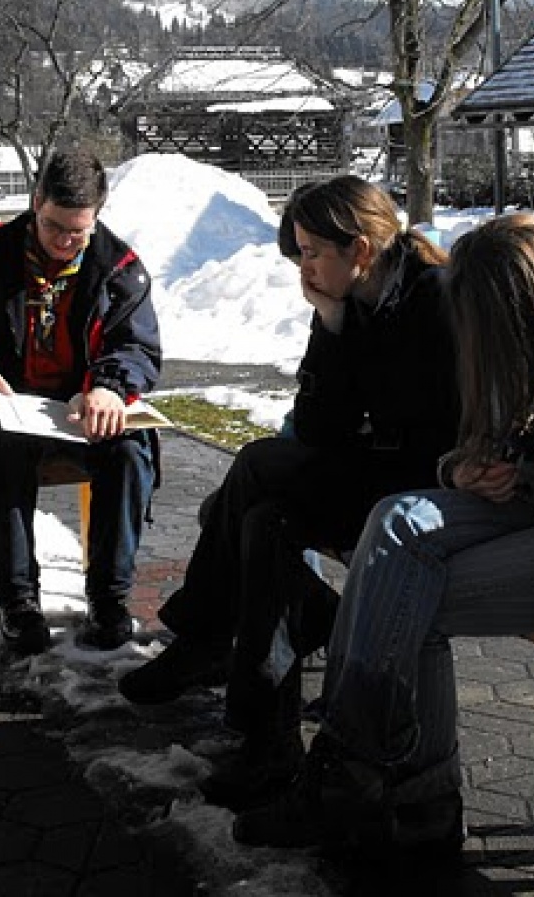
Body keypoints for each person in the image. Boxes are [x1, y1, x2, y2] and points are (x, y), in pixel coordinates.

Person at [234, 212, 534, 854]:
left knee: (412, 597)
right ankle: (361, 778)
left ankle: (398, 793)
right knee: (399, 520)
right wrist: (465, 470)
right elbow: (473, 439)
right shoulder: (514, 319)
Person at [118, 175, 460, 811]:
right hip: (371, 472)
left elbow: (424, 429)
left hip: (425, 491)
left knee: (251, 473)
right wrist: (331, 325)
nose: (302, 267)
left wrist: (350, 366)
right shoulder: (345, 298)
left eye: (311, 252)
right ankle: (269, 742)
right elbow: (324, 424)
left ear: (358, 248)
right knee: (263, 524)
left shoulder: (430, 298)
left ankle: (204, 635)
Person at [0, 144, 160, 655]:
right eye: (55, 226)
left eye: (78, 230)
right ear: (36, 202)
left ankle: (110, 599)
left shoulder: (119, 269)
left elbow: (136, 346)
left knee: (128, 448)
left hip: (79, 409)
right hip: (3, 407)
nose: (66, 240)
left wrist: (109, 387)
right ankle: (17, 601)